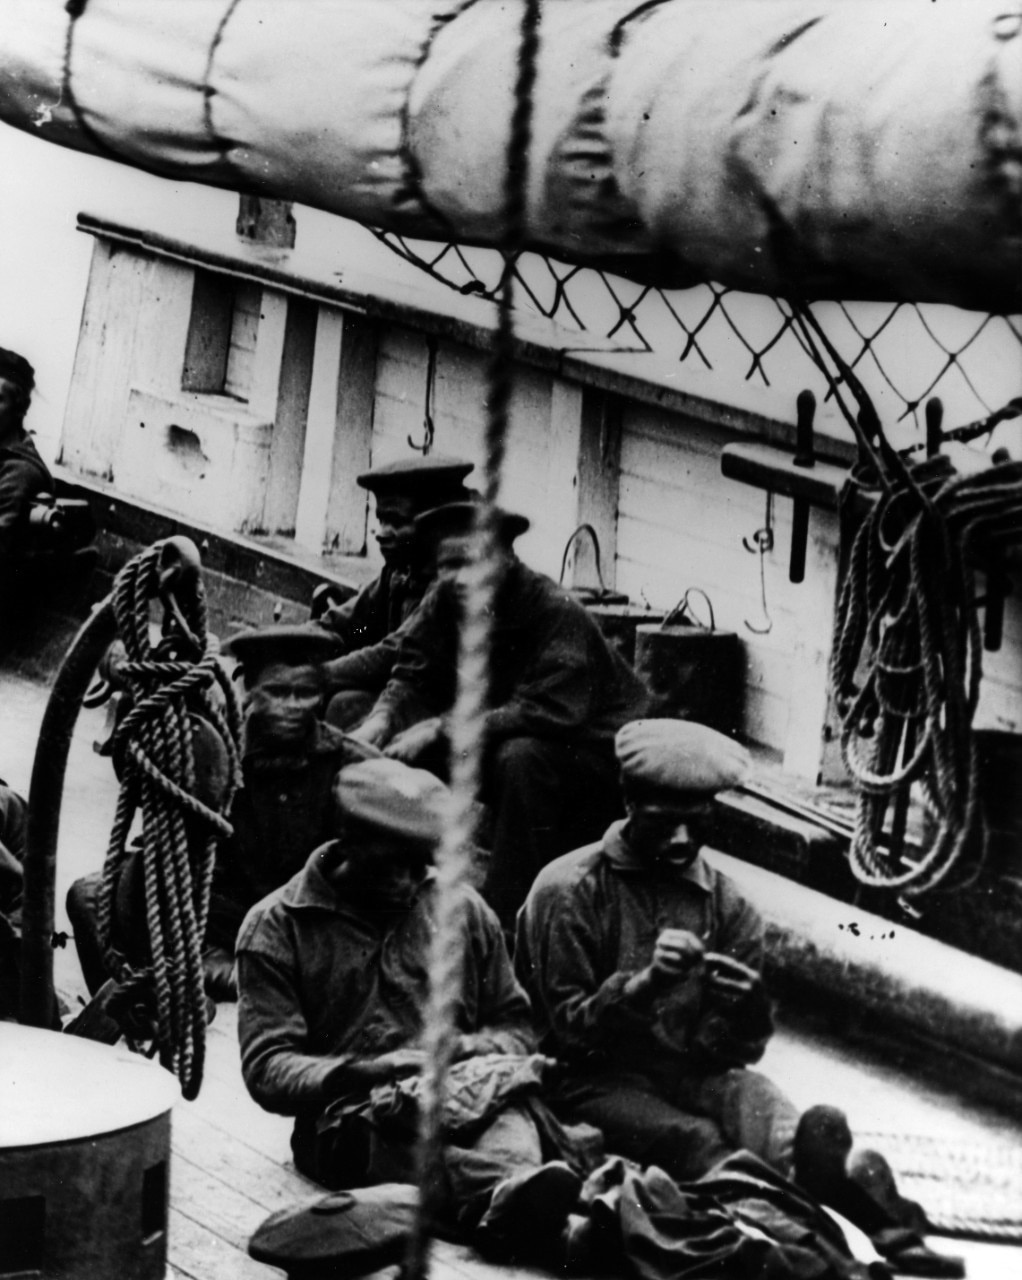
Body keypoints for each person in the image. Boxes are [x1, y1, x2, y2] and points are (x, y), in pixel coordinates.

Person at [516, 718, 961, 1278]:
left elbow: (727, 1053)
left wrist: (747, 1008)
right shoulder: (568, 891)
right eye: (663, 822)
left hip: (689, 1070)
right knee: (698, 1142)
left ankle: (879, 1222)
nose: (680, 840)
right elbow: (569, 1033)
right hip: (589, 1081)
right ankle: (827, 1257)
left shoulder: (729, 903)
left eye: (696, 821)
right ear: (628, 800)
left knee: (771, 1115)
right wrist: (645, 984)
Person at [236, 757, 589, 1255]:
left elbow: (514, 1021)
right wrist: (369, 1070)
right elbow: (268, 1069)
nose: (407, 881)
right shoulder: (278, 926)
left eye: (419, 864)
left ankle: (521, 1199)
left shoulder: (461, 908)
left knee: (507, 1113)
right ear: (347, 839)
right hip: (349, 1123)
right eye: (389, 864)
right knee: (415, 1146)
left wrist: (469, 1050)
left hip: (470, 1095)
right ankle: (537, 1205)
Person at [350, 501, 650, 930]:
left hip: (594, 764)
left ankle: (504, 920)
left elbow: (547, 711)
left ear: (508, 559)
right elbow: (412, 668)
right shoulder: (447, 599)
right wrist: (382, 718)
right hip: (502, 735)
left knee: (521, 758)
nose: (461, 577)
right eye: (449, 565)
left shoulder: (555, 611)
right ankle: (382, 884)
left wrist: (439, 727)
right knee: (365, 721)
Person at [67, 624, 355, 1004]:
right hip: (212, 913)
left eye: (306, 694)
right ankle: (129, 1019)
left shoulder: (347, 766)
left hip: (289, 927)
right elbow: (139, 780)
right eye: (277, 692)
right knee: (87, 897)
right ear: (250, 691)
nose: (292, 705)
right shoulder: (215, 746)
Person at [316, 454, 475, 729]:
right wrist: (283, 650)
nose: (381, 532)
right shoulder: (401, 571)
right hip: (403, 692)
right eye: (380, 519)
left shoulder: (455, 584)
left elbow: (395, 651)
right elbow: (351, 625)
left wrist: (316, 675)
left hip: (447, 712)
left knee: (345, 706)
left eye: (396, 521)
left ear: (436, 525)